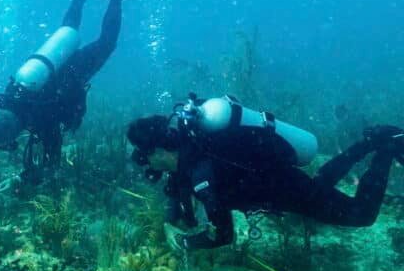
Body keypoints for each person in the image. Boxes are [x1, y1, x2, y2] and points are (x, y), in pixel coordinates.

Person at [127, 94, 404, 251]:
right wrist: (170, 221)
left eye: (145, 157)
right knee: (319, 183)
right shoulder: (189, 152)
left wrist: (183, 242)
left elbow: (223, 235)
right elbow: (175, 192)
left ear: (159, 151)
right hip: (279, 176)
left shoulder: (200, 175)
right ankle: (369, 143)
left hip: (283, 189)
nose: (146, 165)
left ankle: (387, 149)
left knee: (361, 215)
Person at [0, 0, 147, 190]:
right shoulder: (1, 104)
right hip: (51, 63)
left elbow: (51, 162)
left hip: (72, 74)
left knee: (106, 43)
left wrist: (19, 179)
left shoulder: (41, 119)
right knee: (67, 31)